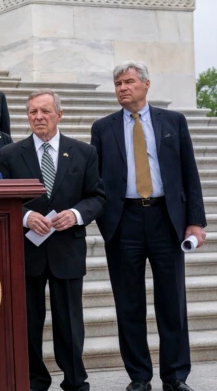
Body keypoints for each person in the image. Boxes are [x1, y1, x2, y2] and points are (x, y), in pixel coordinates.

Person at [90, 62, 206, 391]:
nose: (122, 88)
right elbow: (95, 180)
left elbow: (189, 173)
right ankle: (139, 377)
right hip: (123, 221)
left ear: (146, 84)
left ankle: (175, 376)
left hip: (166, 220)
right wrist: (105, 219)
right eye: (117, 83)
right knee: (129, 304)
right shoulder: (103, 127)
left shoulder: (173, 122)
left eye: (128, 82)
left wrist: (195, 221)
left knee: (172, 302)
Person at [0, 90, 105, 391]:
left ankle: (74, 380)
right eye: (33, 112)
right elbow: (2, 200)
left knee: (69, 323)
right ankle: (34, 379)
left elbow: (97, 197)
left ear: (59, 114)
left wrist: (75, 214)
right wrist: (24, 216)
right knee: (29, 322)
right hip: (27, 250)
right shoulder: (10, 154)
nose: (39, 117)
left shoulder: (84, 152)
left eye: (45, 111)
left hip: (66, 248)